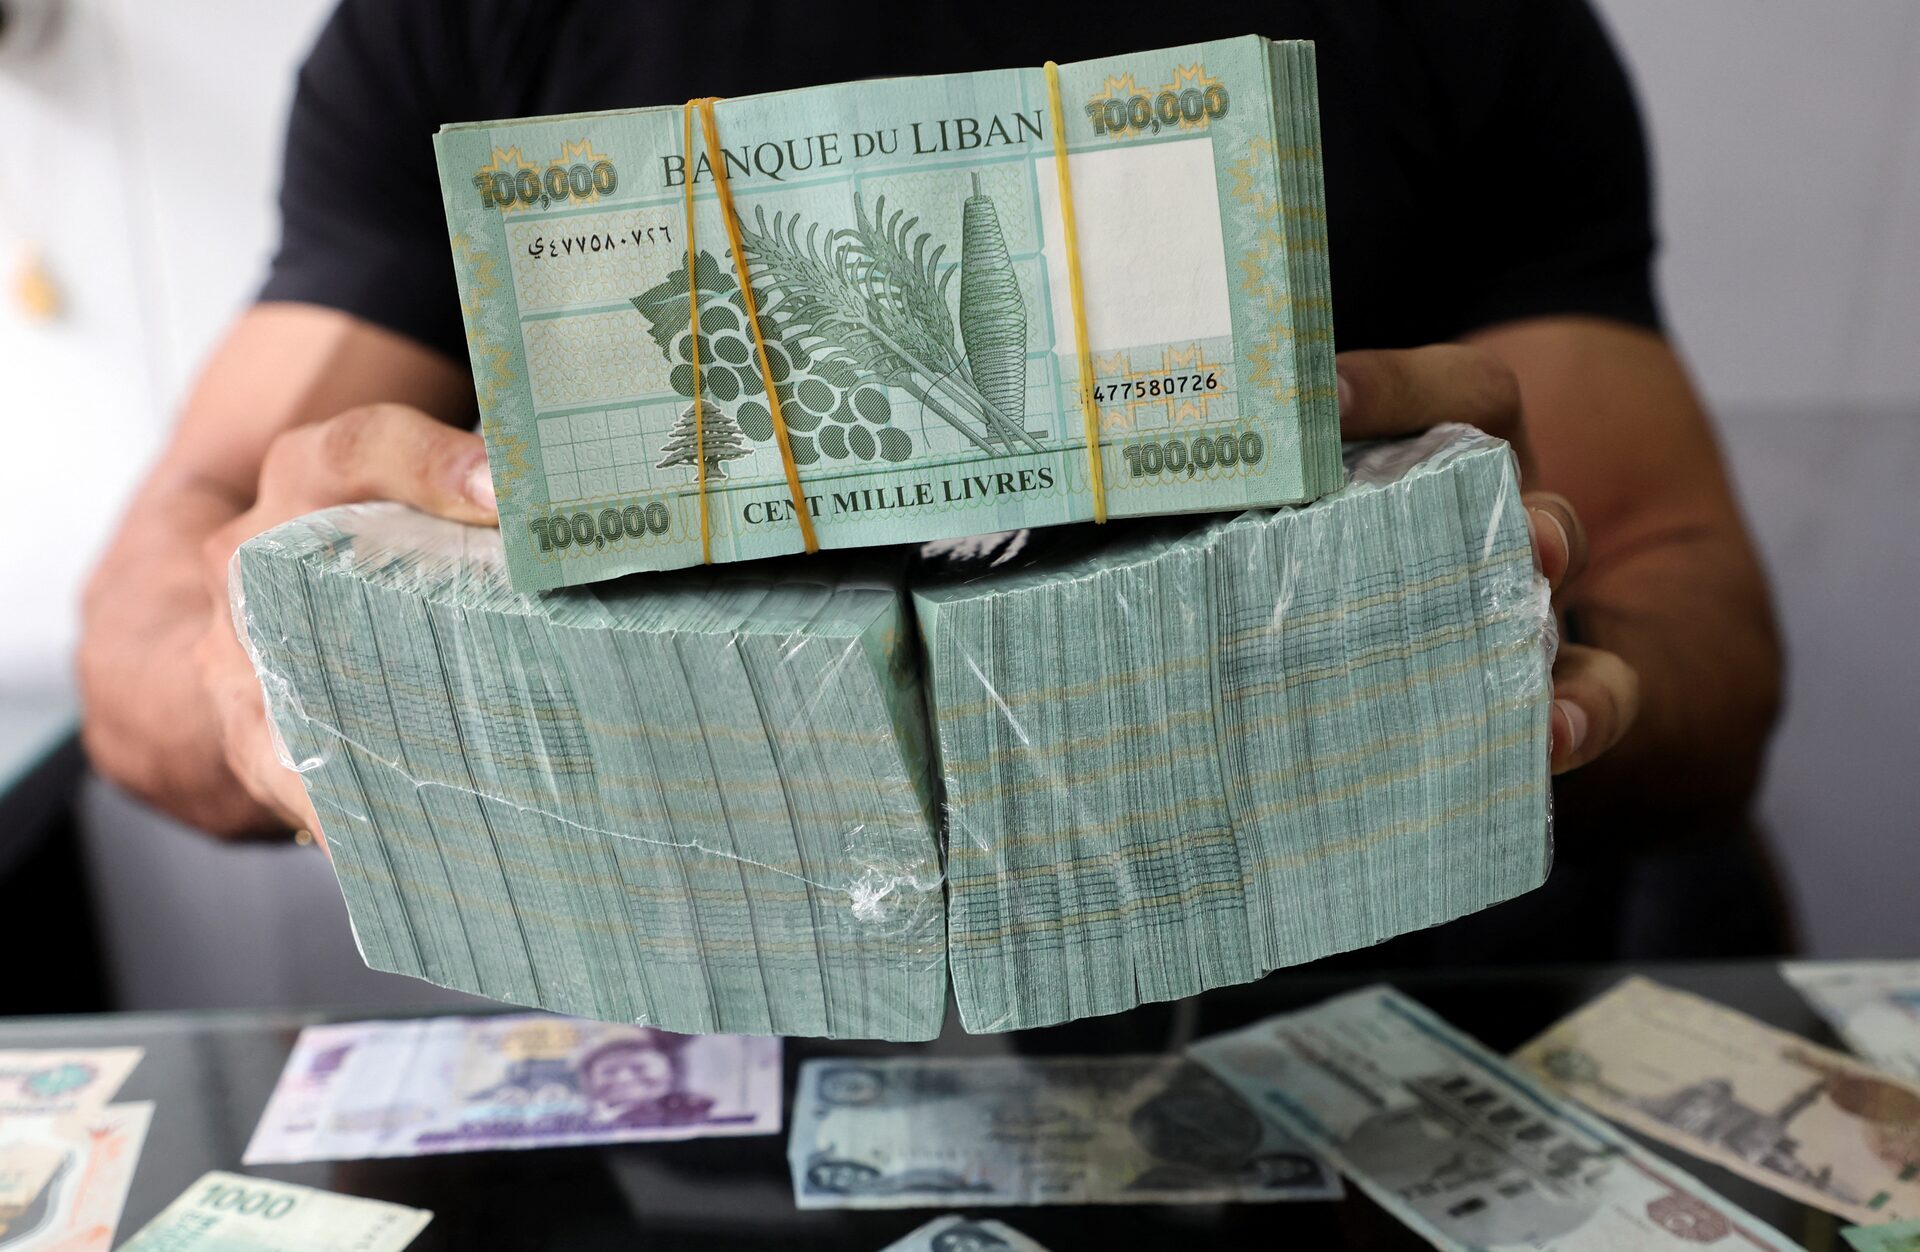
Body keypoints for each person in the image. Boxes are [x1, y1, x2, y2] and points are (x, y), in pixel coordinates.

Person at [76, 0, 1784, 961]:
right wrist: (246, 678)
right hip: (691, 1049)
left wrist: (1525, 655)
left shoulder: (1471, 25)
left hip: (1331, 1014)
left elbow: (1695, 632)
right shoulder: (463, 23)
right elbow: (155, 620)